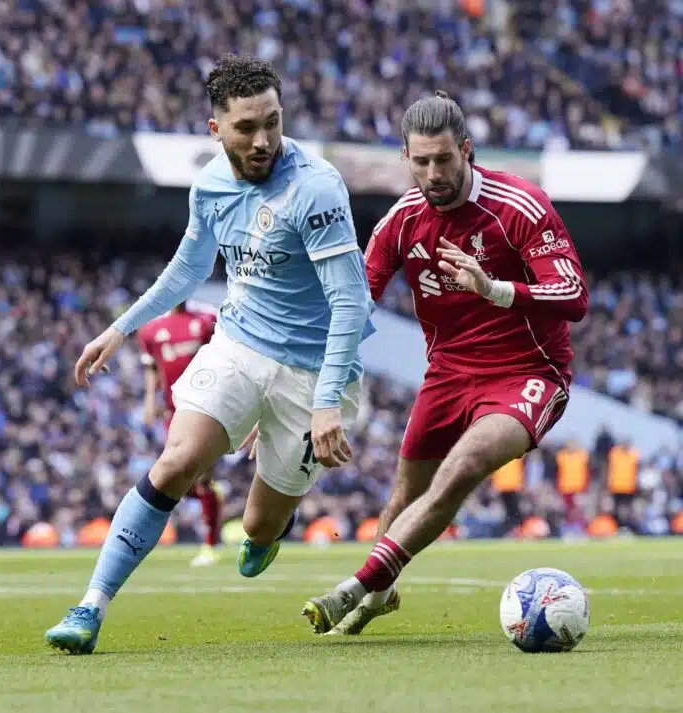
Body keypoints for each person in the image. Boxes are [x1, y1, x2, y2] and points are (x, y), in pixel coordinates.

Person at [44, 54, 374, 654]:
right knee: (176, 462)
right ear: (215, 129)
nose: (263, 140)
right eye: (246, 127)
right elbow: (188, 268)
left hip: (313, 371)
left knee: (258, 526)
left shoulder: (317, 188)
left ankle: (268, 529)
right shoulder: (211, 186)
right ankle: (90, 606)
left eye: (272, 122)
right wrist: (122, 328)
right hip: (240, 344)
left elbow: (350, 303)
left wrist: (327, 402)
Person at [301, 91, 588, 635]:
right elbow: (353, 306)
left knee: (463, 465)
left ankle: (353, 588)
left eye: (444, 159)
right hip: (447, 376)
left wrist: (494, 289)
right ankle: (378, 596)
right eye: (422, 162)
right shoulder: (402, 220)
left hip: (527, 372)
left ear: (467, 150)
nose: (433, 174)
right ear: (405, 158)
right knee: (402, 500)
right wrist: (316, 394)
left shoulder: (520, 205)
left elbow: (574, 296)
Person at [137, 302, 223, 567]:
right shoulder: (151, 330)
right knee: (178, 479)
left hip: (205, 407)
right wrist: (149, 401)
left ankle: (210, 545)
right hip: (173, 412)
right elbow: (152, 368)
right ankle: (213, 498)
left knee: (202, 477)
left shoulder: (206, 320)